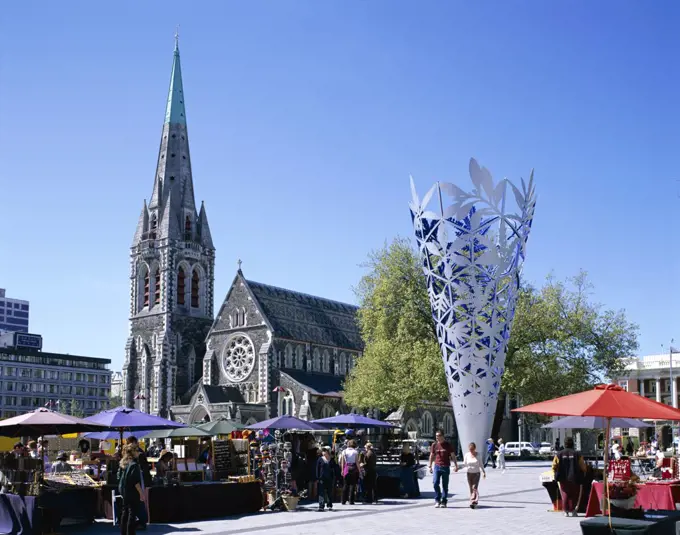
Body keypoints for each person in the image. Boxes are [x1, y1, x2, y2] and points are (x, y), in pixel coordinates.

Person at [552, 437, 586, 517]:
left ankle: (566, 511)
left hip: (562, 477)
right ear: (572, 444)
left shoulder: (559, 454)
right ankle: (574, 511)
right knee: (574, 494)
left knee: (565, 493)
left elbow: (554, 466)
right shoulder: (577, 454)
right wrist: (584, 472)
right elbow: (583, 466)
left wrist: (555, 473)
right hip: (574, 477)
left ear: (564, 444)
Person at [428, 429, 459, 508]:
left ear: (442, 436)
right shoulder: (434, 445)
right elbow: (431, 455)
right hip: (437, 467)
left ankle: (444, 501)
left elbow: (452, 455)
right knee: (435, 483)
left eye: (438, 436)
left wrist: (456, 465)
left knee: (445, 485)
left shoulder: (448, 445)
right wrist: (430, 466)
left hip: (445, 467)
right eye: (436, 436)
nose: (437, 437)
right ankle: (437, 500)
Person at [118, 444, 145, 535]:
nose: (138, 453)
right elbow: (136, 482)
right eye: (137, 451)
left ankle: (123, 532)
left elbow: (119, 477)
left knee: (125, 512)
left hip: (124, 491)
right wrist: (141, 494)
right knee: (132, 514)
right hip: (132, 492)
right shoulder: (134, 465)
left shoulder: (123, 463)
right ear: (133, 452)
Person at [125, 436, 149, 530]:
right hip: (139, 481)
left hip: (140, 480)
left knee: (139, 503)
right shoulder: (134, 454)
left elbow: (142, 469)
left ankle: (141, 523)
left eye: (129, 442)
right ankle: (139, 522)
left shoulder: (138, 453)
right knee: (137, 505)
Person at [462, 442, 486, 508]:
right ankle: (472, 501)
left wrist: (484, 472)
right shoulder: (467, 455)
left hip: (476, 473)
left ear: (475, 448)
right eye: (470, 449)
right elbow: (464, 464)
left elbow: (481, 464)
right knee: (471, 488)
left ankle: (474, 501)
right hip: (469, 473)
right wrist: (458, 467)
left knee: (474, 487)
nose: (471, 451)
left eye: (472, 449)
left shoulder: (478, 455)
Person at [339, 439, 360, 505]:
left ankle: (343, 500)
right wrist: (359, 470)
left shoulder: (344, 451)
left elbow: (342, 462)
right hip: (353, 468)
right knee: (352, 485)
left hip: (346, 468)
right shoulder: (355, 452)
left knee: (345, 484)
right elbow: (357, 462)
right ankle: (351, 500)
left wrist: (342, 470)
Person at [316, 447, 335, 511]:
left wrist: (334, 478)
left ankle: (329, 505)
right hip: (322, 478)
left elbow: (334, 469)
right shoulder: (320, 459)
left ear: (328, 452)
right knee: (321, 492)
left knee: (329, 492)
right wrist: (318, 477)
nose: (323, 452)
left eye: (325, 451)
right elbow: (317, 469)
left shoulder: (331, 460)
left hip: (329, 478)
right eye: (323, 451)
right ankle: (321, 505)